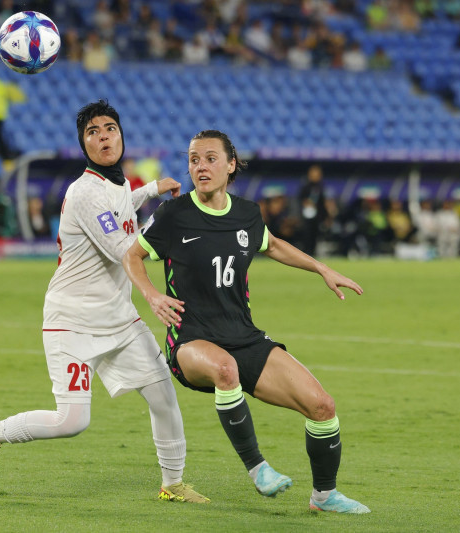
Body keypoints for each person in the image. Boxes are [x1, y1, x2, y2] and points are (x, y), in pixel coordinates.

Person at [0, 100, 209, 504]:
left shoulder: (115, 185)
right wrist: (167, 219)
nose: (104, 136)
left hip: (118, 317)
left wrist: (150, 190)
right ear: (84, 145)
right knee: (72, 420)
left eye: (110, 128)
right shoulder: (82, 193)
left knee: (163, 395)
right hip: (72, 321)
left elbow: (120, 206)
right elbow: (125, 248)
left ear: (121, 134)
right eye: (93, 131)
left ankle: (173, 485)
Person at [122, 130, 370, 514]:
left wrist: (320, 268)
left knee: (322, 406)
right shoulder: (174, 214)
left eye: (209, 158)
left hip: (244, 336)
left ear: (230, 164)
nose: (200, 167)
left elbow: (271, 245)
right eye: (193, 159)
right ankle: (258, 469)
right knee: (225, 369)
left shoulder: (247, 213)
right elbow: (132, 257)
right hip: (191, 341)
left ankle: (324, 497)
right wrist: (153, 296)